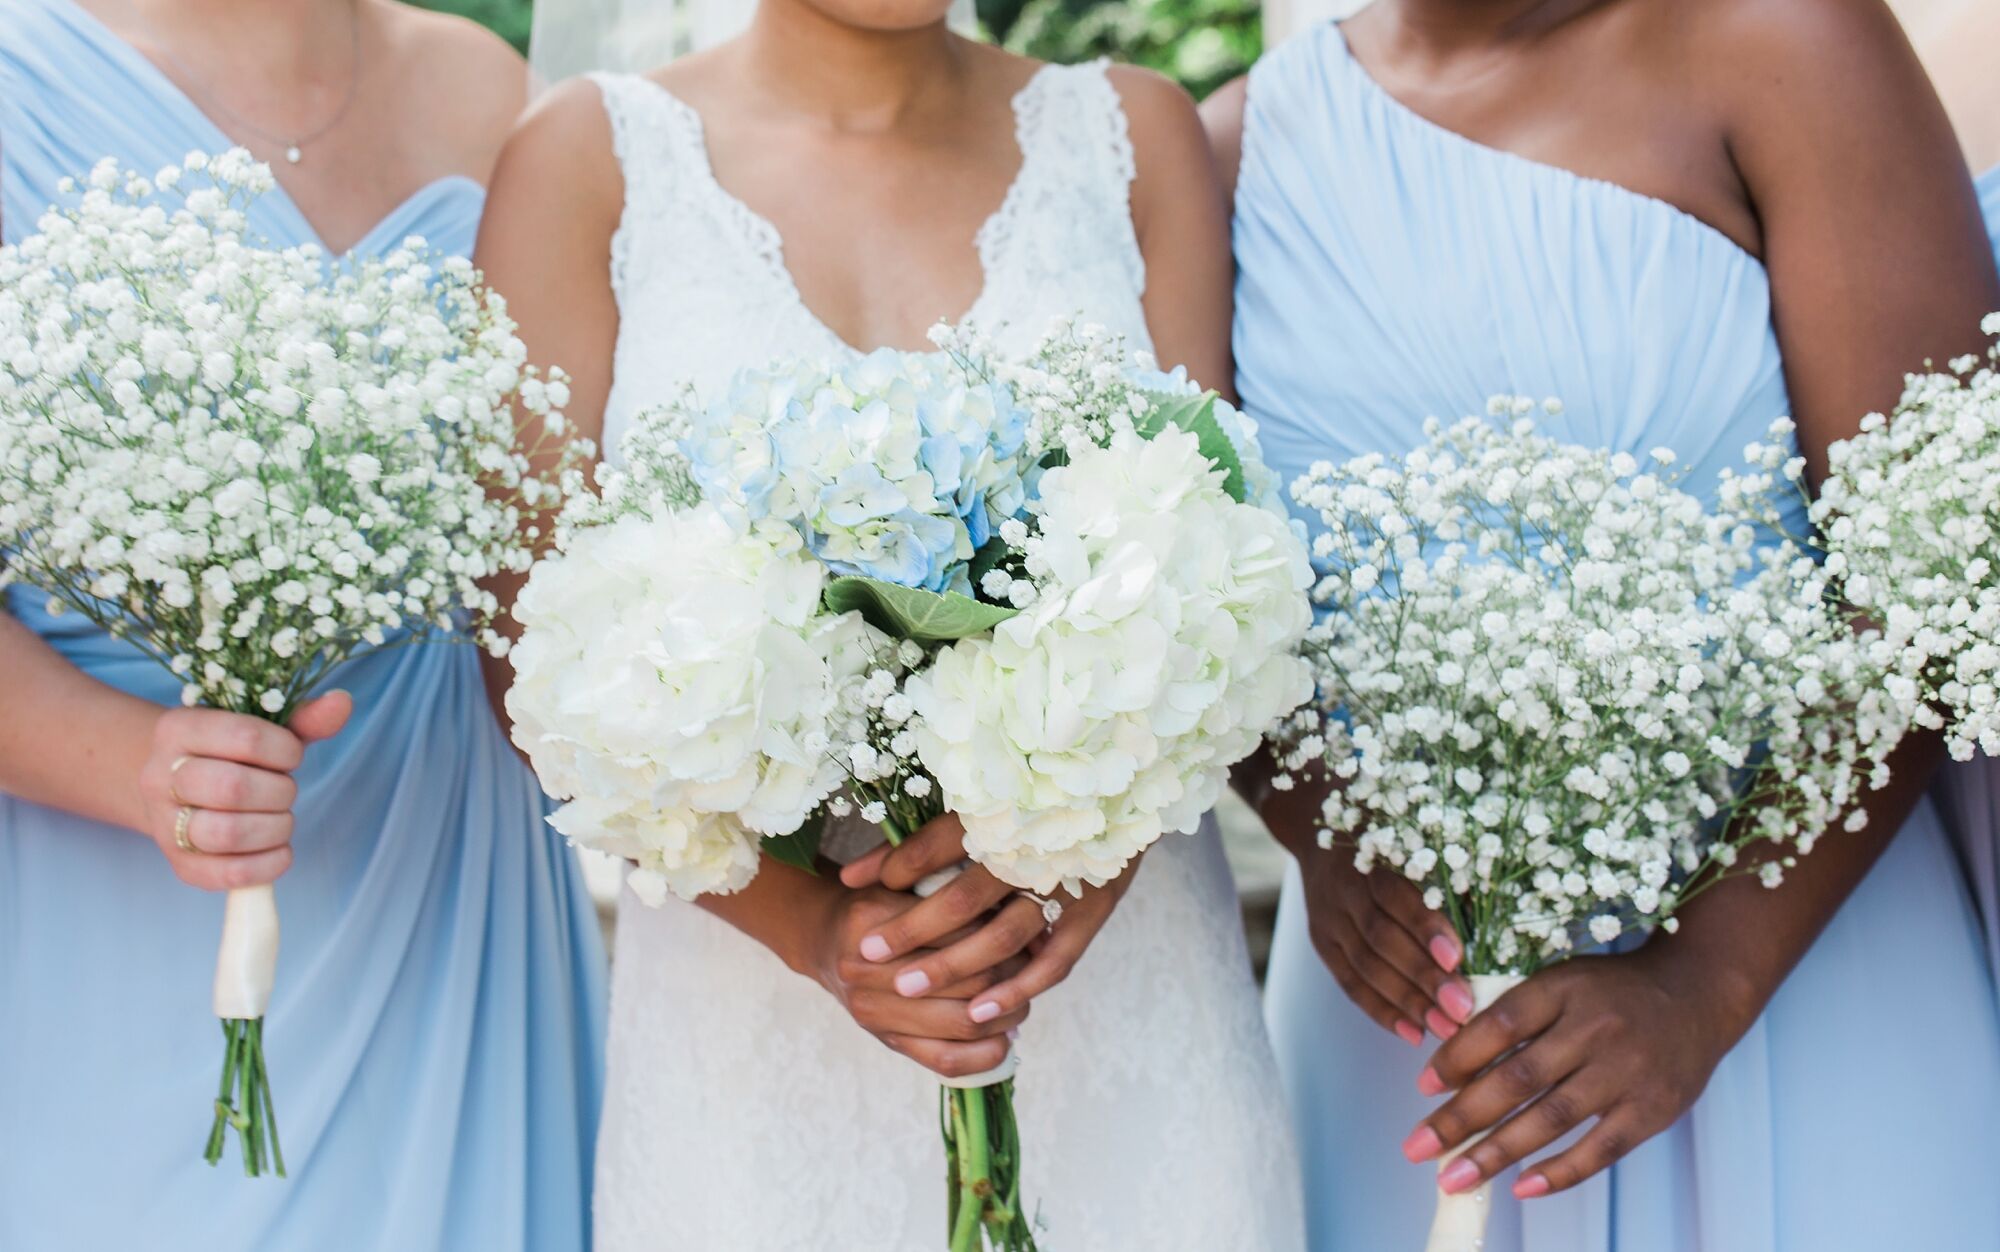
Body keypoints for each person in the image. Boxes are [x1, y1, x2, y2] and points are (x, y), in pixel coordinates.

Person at [475, 1, 1306, 1246]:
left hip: (1124, 1001)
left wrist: (1078, 877)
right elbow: (526, 649)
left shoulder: (1134, 137)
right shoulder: (586, 158)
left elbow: (1225, 577)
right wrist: (819, 933)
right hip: (749, 1046)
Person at [1205, 0, 2000, 1247]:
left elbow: (1924, 579)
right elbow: (1195, 594)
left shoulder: (1789, 44)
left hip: (1793, 984)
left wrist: (1703, 981)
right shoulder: (1230, 152)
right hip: (1415, 1034)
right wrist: (1315, 830)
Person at [0, 2, 606, 1247]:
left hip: (457, 894)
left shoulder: (489, 91)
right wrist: (133, 765)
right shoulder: (18, 83)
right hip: (117, 926)